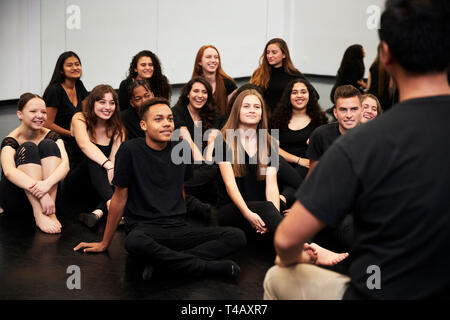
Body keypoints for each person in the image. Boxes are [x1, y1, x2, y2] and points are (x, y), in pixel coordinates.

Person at [264, 0, 450, 300]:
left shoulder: (361, 143)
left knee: (276, 274)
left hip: (377, 292)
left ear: (386, 56)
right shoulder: (338, 138)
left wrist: (295, 257)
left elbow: (285, 240)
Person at [74, 97, 247, 282]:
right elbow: (119, 199)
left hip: (178, 228)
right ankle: (204, 267)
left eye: (170, 119)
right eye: (158, 119)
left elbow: (180, 190)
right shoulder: (130, 150)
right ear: (143, 125)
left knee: (236, 236)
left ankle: (164, 266)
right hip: (145, 230)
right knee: (133, 242)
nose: (166, 124)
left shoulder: (181, 148)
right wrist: (105, 242)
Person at [0, 93, 69, 234]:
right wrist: (42, 193)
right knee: (29, 147)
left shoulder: (52, 136)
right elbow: (9, 172)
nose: (40, 116)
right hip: (18, 198)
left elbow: (65, 166)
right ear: (20, 114)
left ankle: (50, 213)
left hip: (50, 198)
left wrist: (47, 184)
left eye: (43, 112)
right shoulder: (10, 140)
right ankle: (39, 214)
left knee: (49, 145)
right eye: (33, 111)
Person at [66, 84, 125, 228]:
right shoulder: (79, 118)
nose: (107, 107)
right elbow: (85, 145)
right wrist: (109, 166)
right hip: (77, 184)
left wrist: (112, 168)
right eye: (102, 102)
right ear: (93, 103)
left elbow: (114, 161)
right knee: (94, 161)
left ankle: (97, 213)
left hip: (100, 189)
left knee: (122, 172)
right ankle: (113, 206)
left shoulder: (118, 128)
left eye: (112, 103)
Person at [172, 77, 220, 217]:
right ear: (188, 93)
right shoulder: (177, 111)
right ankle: (179, 195)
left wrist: (208, 161)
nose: (200, 96)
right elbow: (187, 139)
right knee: (214, 173)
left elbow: (213, 139)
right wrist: (204, 164)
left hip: (205, 166)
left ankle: (187, 200)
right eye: (196, 91)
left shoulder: (213, 113)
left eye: (204, 92)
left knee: (216, 171)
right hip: (185, 165)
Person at [271, 78, 328, 179]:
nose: (299, 96)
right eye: (294, 92)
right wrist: (299, 160)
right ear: (289, 96)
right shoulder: (276, 119)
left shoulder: (320, 120)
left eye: (303, 92)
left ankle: (284, 195)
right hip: (283, 165)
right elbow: (274, 150)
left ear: (309, 95)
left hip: (307, 168)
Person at [306, 85, 362, 174]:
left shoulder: (373, 139)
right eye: (343, 110)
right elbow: (313, 176)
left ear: (362, 111)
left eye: (354, 109)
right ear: (335, 113)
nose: (348, 115)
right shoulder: (320, 135)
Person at [42, 51, 89, 158]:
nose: (75, 67)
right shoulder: (54, 90)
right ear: (61, 70)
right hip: (60, 139)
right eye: (69, 65)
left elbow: (86, 113)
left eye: (77, 64)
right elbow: (47, 124)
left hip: (77, 135)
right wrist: (72, 134)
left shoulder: (79, 85)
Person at [250, 38, 312, 115]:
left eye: (274, 52)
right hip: (263, 117)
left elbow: (314, 95)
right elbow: (251, 94)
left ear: (284, 54)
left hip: (285, 118)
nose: (270, 56)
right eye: (267, 53)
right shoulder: (259, 73)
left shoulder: (294, 75)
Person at [192, 45, 237, 115]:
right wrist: (197, 126)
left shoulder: (228, 84)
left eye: (216, 57)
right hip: (200, 124)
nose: (213, 60)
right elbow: (194, 115)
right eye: (208, 57)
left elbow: (233, 113)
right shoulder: (193, 86)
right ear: (199, 62)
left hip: (223, 124)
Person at [366, 44, 399, 111]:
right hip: (384, 99)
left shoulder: (373, 65)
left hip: (372, 97)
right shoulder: (389, 66)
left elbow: (368, 86)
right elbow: (391, 86)